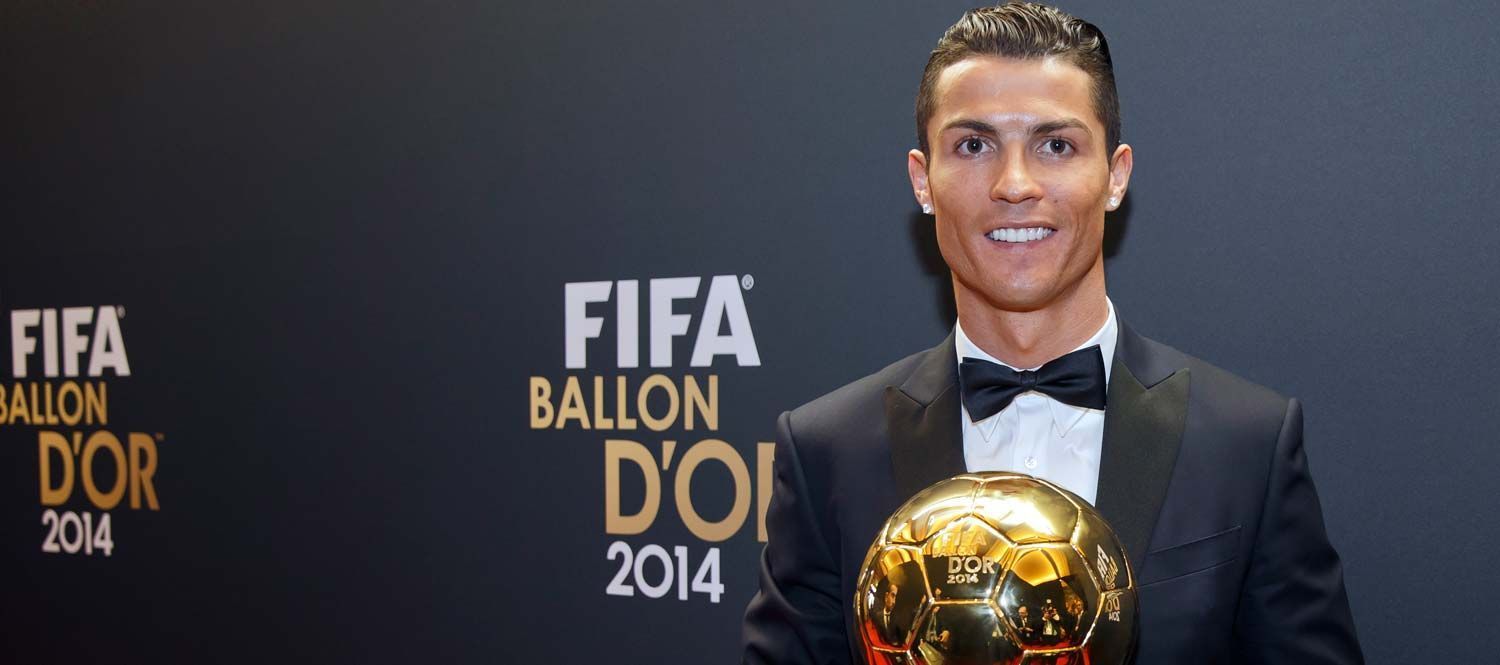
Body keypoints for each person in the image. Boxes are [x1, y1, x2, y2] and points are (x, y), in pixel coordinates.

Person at [741, 3, 1362, 663]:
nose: (1015, 184)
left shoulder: (1248, 444)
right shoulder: (825, 452)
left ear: (1115, 175)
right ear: (923, 181)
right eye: (974, 145)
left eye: (1056, 144)